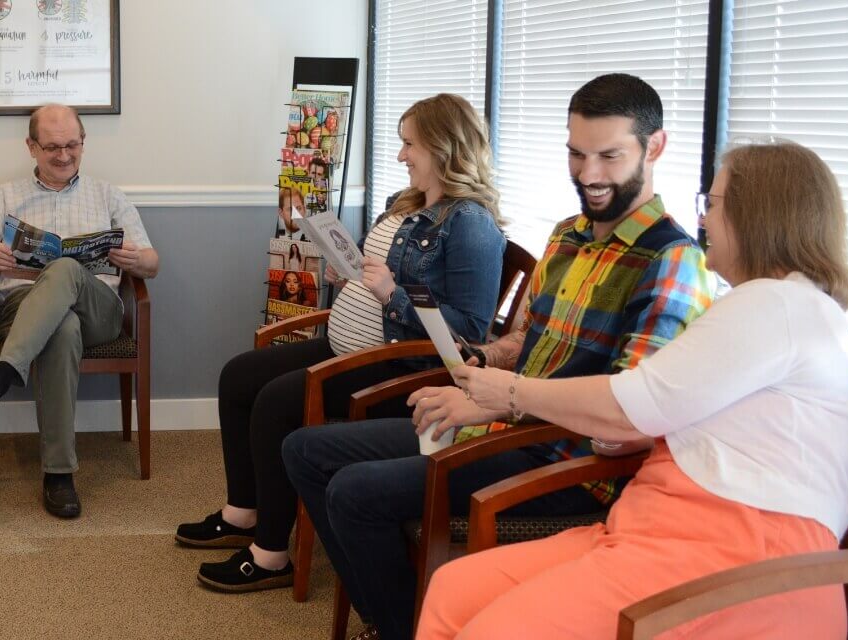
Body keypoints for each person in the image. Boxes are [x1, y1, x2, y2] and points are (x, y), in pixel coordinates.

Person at [282, 73, 717, 640]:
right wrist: (479, 364)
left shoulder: (673, 263)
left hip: (564, 462)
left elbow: (631, 416)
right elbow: (525, 343)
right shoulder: (567, 238)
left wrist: (500, 404)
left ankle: (400, 628)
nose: (588, 174)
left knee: (354, 493)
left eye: (609, 156)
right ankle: (398, 619)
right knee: (306, 451)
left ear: (654, 148)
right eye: (576, 153)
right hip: (499, 423)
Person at [420, 140, 848, 639]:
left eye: (711, 205)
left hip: (733, 554)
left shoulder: (779, 305)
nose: (703, 222)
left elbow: (635, 404)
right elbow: (664, 409)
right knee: (454, 589)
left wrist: (514, 393)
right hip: (654, 527)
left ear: (755, 216)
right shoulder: (771, 308)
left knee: (492, 629)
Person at [176, 93, 508, 593]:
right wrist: (346, 273)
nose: (401, 155)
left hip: (399, 369)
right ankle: (242, 512)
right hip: (346, 346)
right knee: (238, 376)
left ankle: (270, 555)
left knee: (275, 402)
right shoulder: (410, 202)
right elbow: (378, 272)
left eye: (409, 145)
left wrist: (391, 295)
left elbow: (468, 334)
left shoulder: (471, 226)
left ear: (443, 148)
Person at [0, 104, 159, 518]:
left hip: (100, 313)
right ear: (31, 147)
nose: (63, 155)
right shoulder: (5, 197)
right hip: (24, 308)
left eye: (72, 146)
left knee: (65, 266)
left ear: (83, 142)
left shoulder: (108, 195)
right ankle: (59, 475)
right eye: (51, 148)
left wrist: (134, 259)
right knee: (61, 327)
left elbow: (154, 263)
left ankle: (3, 374)